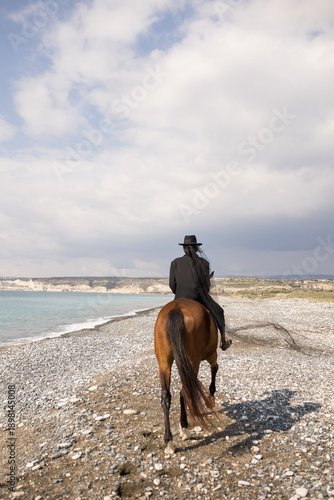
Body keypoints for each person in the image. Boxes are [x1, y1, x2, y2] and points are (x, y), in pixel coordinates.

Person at [169, 235, 232, 351]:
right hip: (198, 298)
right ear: (196, 248)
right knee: (219, 311)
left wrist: (179, 293)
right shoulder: (204, 263)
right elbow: (206, 288)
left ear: (184, 249)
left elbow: (172, 285)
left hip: (179, 298)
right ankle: (223, 340)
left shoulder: (174, 263)